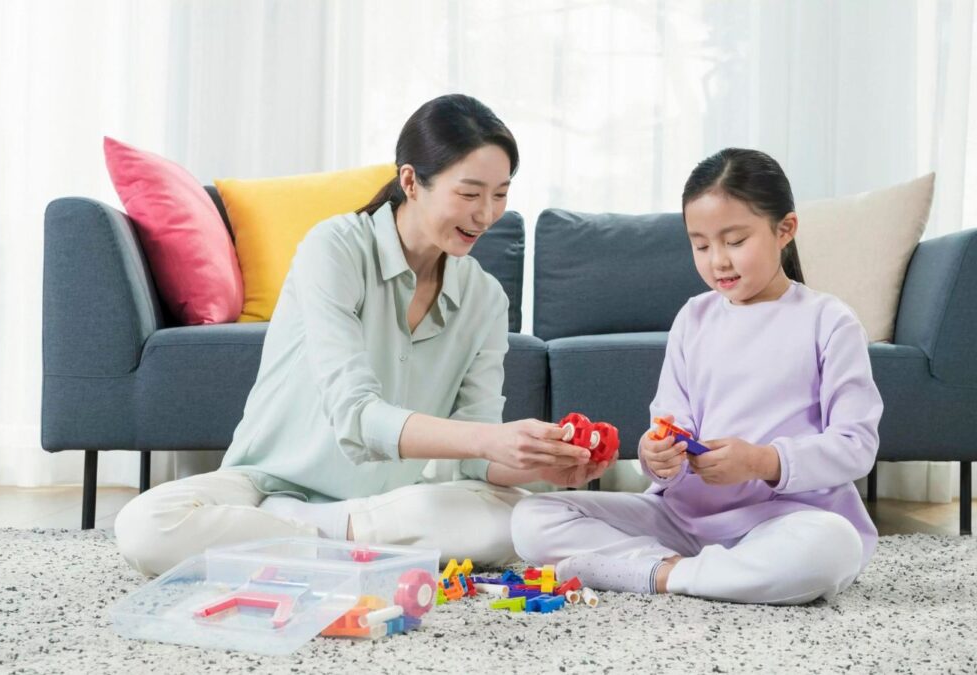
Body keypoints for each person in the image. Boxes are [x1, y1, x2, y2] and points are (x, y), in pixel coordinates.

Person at [115, 94, 609, 577]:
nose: (486, 214)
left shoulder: (483, 298)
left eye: (500, 194)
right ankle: (352, 542)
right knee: (147, 526)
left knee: (519, 520)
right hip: (273, 487)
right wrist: (488, 439)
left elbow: (472, 461)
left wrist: (541, 465)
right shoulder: (334, 248)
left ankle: (311, 540)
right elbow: (356, 416)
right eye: (470, 193)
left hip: (390, 500)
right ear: (412, 182)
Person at [510, 148, 883, 604]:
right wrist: (655, 454)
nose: (718, 261)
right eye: (701, 245)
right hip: (681, 518)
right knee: (532, 518)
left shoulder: (829, 321)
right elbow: (669, 420)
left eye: (735, 241)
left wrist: (762, 461)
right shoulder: (694, 317)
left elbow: (856, 446)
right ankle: (701, 572)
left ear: (785, 229)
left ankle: (660, 575)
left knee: (832, 545)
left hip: (785, 518)